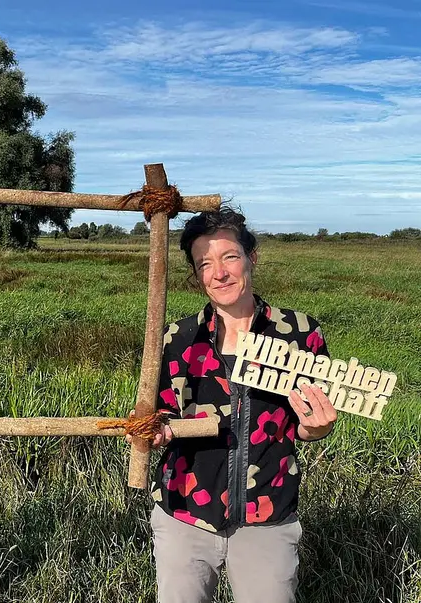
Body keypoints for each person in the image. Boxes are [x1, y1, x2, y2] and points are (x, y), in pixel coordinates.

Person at [140, 208, 337, 603]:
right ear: (197, 277)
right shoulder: (178, 337)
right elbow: (160, 412)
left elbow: (305, 421)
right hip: (184, 514)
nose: (220, 273)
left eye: (230, 256)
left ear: (252, 258)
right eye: (205, 264)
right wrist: (155, 430)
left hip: (268, 515)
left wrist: (316, 429)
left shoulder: (298, 333)